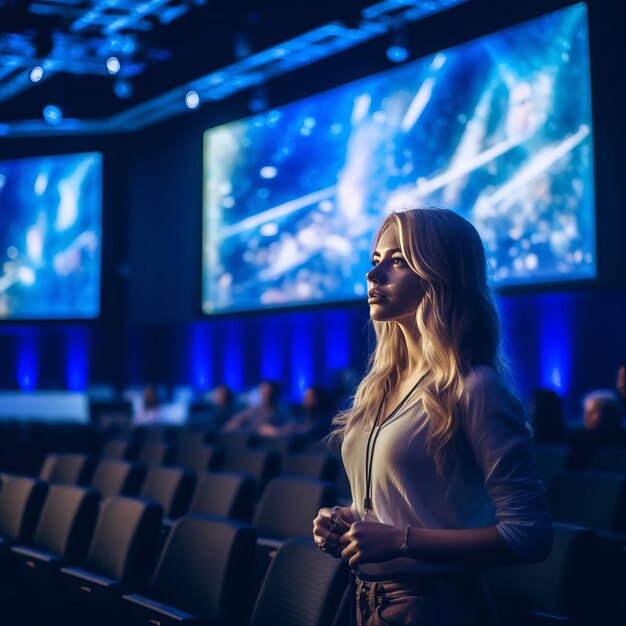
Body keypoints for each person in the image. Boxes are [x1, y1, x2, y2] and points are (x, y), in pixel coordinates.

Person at [313, 208, 552, 626]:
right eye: (376, 261)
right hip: (364, 601)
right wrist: (349, 521)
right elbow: (405, 506)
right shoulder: (378, 386)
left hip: (436, 607)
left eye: (398, 260)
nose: (374, 275)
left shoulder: (474, 387)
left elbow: (529, 536)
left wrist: (399, 540)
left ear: (439, 273)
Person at [222, 380, 290, 435]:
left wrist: (277, 431)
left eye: (268, 392)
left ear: (275, 393)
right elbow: (231, 424)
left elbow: (291, 425)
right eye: (263, 391)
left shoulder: (282, 411)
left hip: (276, 441)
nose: (265, 394)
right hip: (253, 440)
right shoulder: (253, 410)